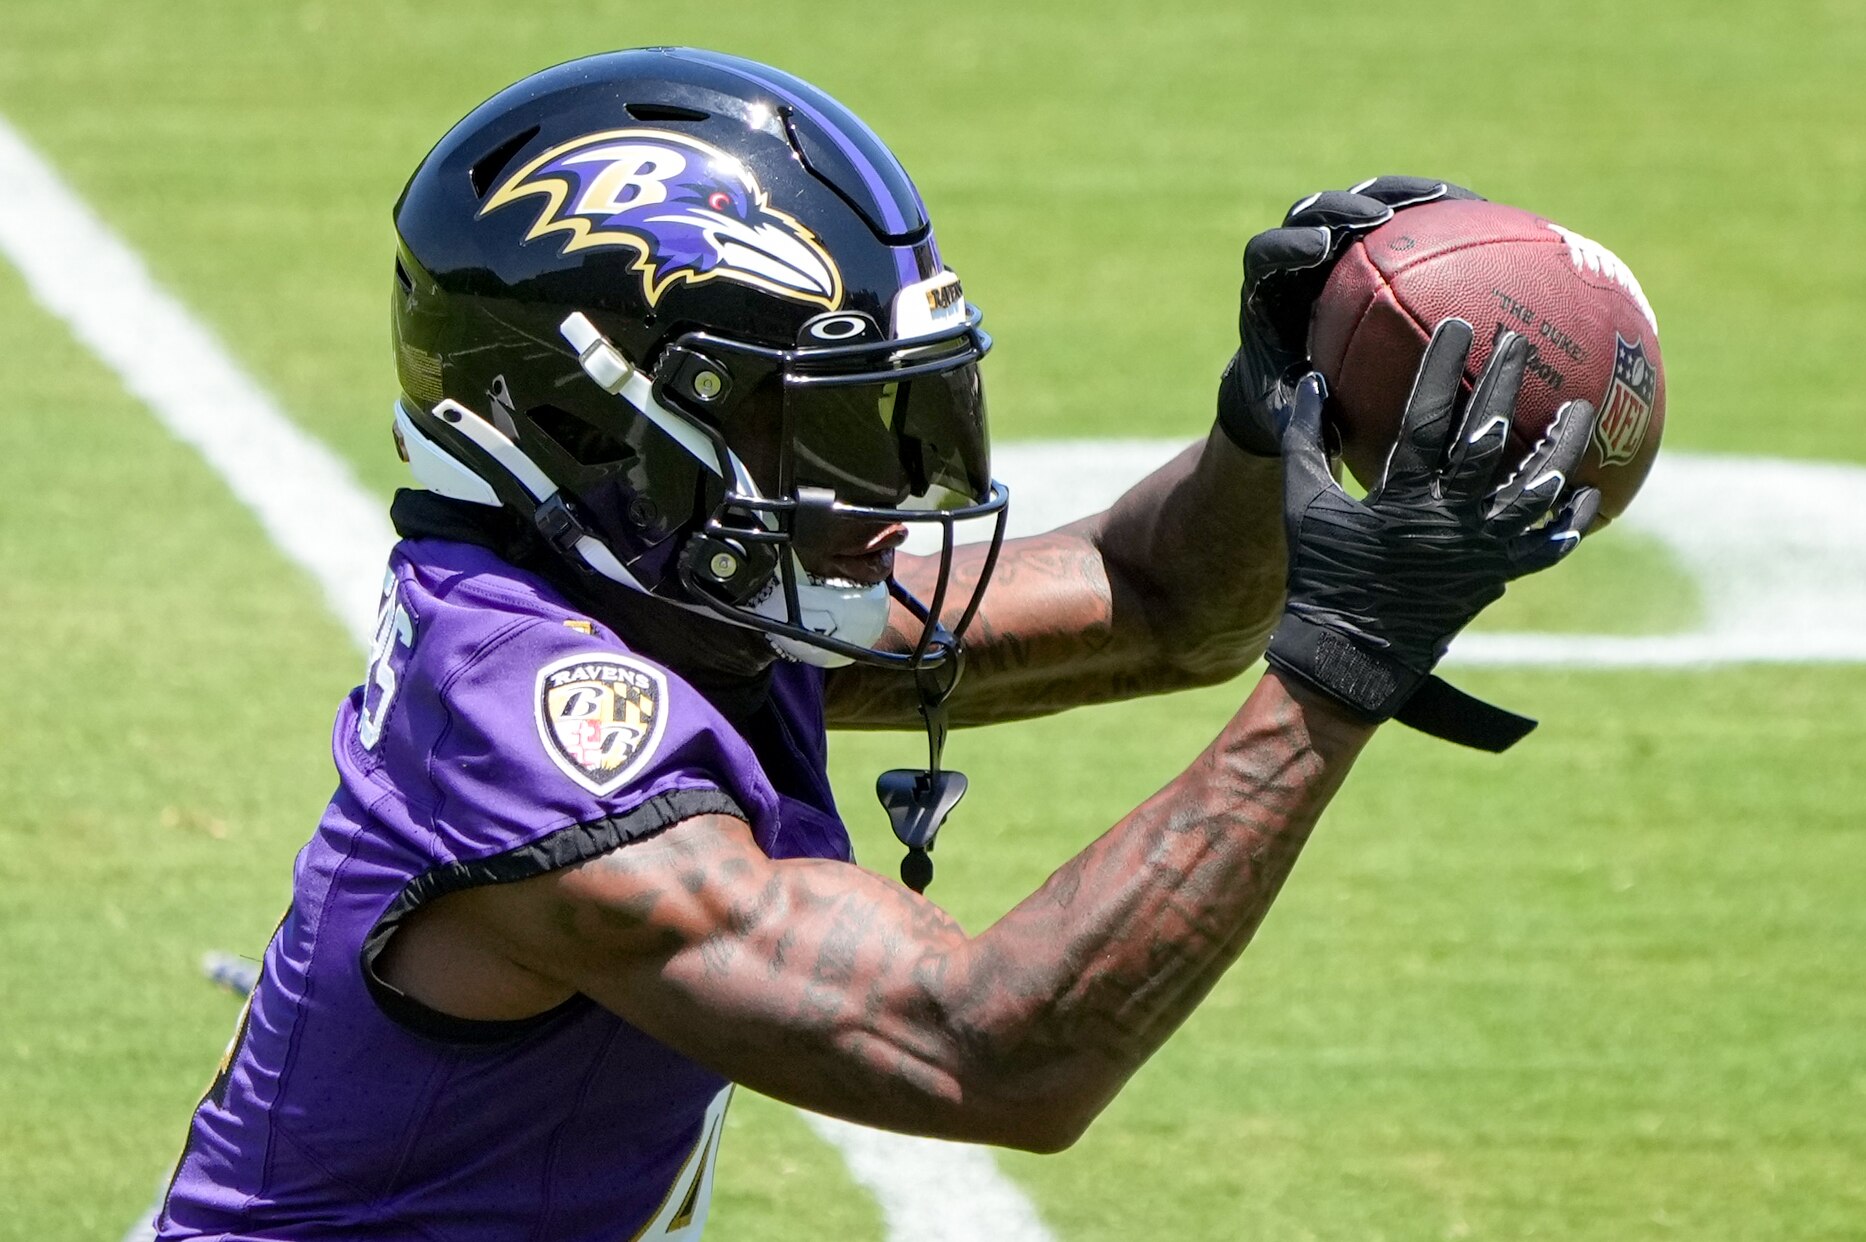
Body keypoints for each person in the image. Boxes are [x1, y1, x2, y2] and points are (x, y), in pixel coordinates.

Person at [153, 47, 1600, 1242]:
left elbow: (1157, 602)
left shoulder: (655, 581)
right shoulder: (553, 766)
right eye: (822, 423)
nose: (886, 488)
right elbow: (991, 1053)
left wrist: (1259, 411)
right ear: (596, 427)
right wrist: (1343, 663)